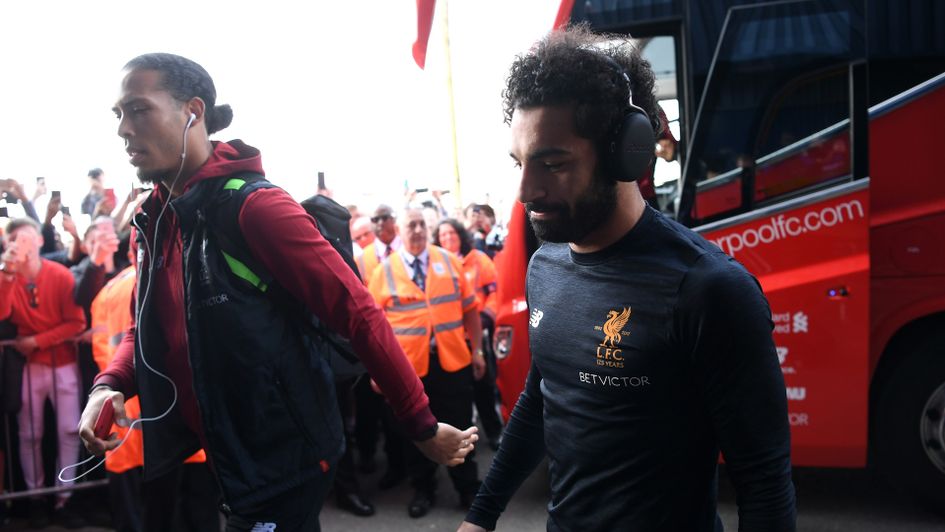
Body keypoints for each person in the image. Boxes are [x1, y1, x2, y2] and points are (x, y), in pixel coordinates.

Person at [77, 52, 477, 532]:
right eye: (118, 114)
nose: (123, 128)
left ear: (193, 112)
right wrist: (110, 385)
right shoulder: (155, 219)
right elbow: (148, 327)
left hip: (281, 459)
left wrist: (421, 425)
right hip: (225, 454)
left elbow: (358, 313)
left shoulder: (257, 208)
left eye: (138, 109)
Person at [459, 26, 796, 532]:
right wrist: (480, 517)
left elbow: (765, 484)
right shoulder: (544, 267)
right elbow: (540, 398)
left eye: (553, 163)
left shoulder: (709, 290)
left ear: (626, 154)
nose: (527, 189)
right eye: (520, 163)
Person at [368, 208, 486, 518]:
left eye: (422, 224)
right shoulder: (384, 271)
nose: (418, 229)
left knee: (462, 427)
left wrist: (477, 351)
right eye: (411, 225)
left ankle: (467, 487)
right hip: (408, 370)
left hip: (452, 362)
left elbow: (471, 309)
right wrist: (377, 371)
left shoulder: (448, 261)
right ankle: (423, 489)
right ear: (400, 230)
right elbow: (372, 329)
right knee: (416, 432)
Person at [0, 217, 87, 528]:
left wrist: (36, 341)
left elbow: (76, 324)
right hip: (30, 368)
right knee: (28, 435)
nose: (21, 245)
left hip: (61, 363)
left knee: (68, 430)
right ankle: (36, 498)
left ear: (39, 241)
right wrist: (8, 273)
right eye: (14, 240)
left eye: (27, 238)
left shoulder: (60, 275)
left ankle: (65, 499)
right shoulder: (6, 277)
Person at [433, 219, 503, 450]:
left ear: (461, 234)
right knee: (458, 397)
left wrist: (486, 316)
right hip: (451, 341)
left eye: (452, 232)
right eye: (442, 235)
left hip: (476, 336)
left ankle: (495, 432)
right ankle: (463, 440)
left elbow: (495, 292)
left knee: (484, 388)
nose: (447, 238)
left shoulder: (479, 260)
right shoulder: (435, 265)